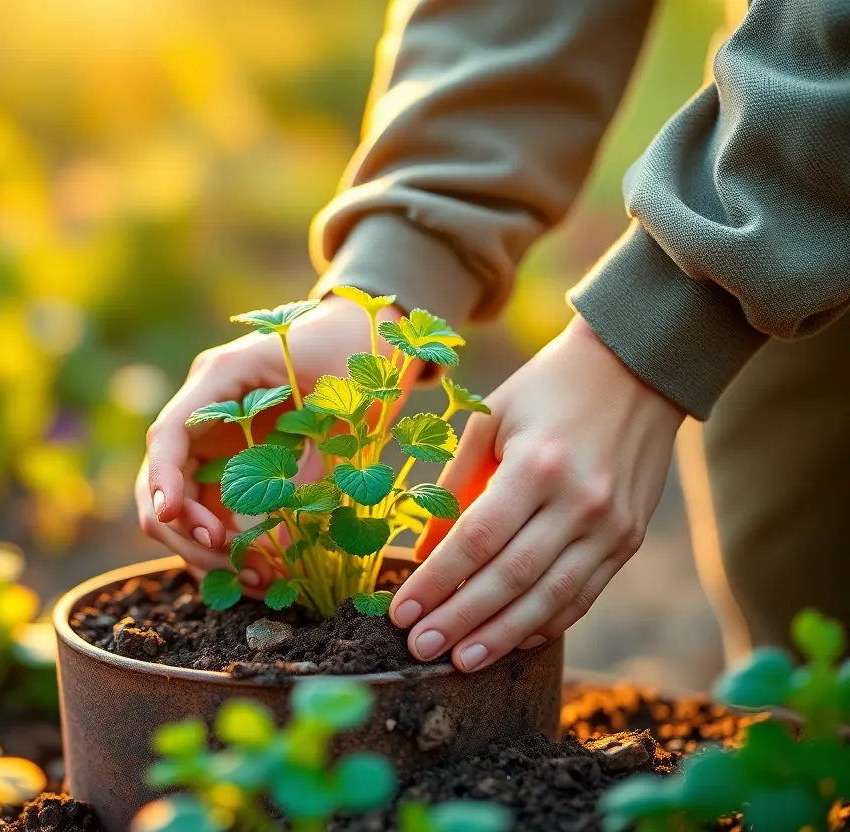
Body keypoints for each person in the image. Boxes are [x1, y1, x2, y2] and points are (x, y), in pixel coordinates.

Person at [136, 0, 850, 673]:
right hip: (798, 160)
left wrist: (663, 317)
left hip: (808, 160)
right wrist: (392, 277)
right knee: (800, 644)